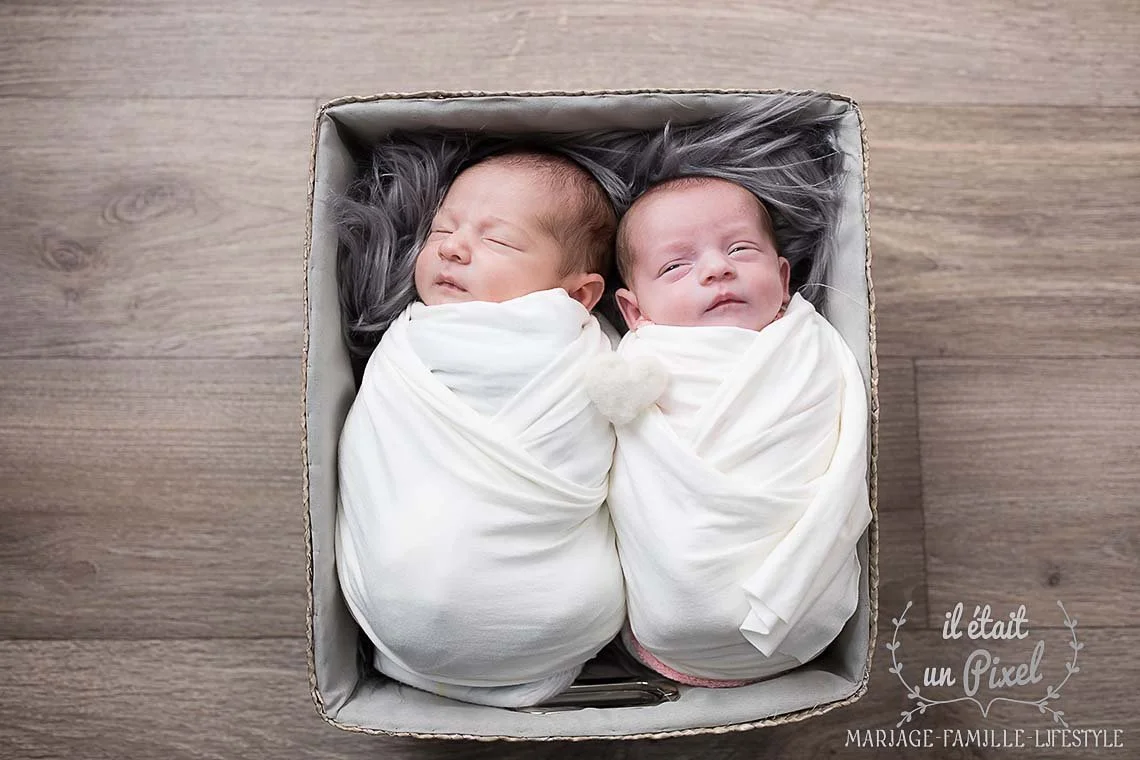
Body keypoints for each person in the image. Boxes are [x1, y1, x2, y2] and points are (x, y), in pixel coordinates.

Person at [336, 150, 626, 707]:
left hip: (520, 606)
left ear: (577, 296)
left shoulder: (578, 343)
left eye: (499, 241)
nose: (451, 246)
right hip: (530, 615)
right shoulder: (416, 339)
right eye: (444, 227)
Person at [602, 175, 871, 686]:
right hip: (679, 600)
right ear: (635, 312)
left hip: (800, 598)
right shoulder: (637, 360)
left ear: (783, 277)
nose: (717, 268)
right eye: (676, 265)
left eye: (741, 249)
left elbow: (844, 441)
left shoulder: (806, 345)